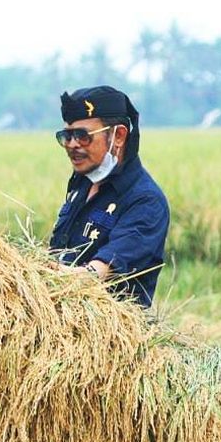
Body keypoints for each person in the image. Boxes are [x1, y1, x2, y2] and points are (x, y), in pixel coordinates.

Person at [49, 85, 170, 308]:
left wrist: (41, 275)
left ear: (119, 136)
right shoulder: (81, 187)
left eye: (82, 136)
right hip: (57, 320)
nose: (72, 145)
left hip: (109, 335)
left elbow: (96, 274)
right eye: (67, 136)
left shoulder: (146, 201)